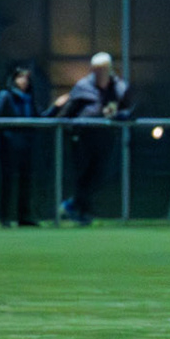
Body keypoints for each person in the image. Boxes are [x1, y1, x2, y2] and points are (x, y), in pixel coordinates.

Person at [50, 52, 132, 225]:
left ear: (109, 69)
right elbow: (68, 113)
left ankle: (73, 205)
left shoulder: (119, 87)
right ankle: (83, 214)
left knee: (99, 176)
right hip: (83, 138)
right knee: (83, 175)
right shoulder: (83, 86)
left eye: (102, 69)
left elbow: (127, 110)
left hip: (106, 138)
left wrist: (116, 115)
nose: (99, 73)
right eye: (96, 70)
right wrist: (71, 129)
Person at [0, 62, 39, 227]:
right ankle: (4, 217)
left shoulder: (29, 98)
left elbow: (39, 118)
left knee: (26, 180)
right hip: (9, 145)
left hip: (26, 145)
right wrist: (3, 140)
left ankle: (24, 216)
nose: (24, 81)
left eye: (26, 77)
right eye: (20, 77)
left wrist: (56, 106)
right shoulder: (5, 96)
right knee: (8, 181)